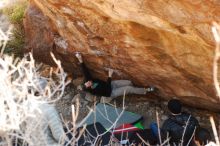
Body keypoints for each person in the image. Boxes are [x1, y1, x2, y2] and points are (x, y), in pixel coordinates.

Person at [75, 52, 157, 100]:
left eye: (87, 82)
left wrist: (80, 58)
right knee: (129, 88)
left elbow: (85, 70)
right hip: (111, 92)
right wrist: (110, 76)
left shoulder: (88, 80)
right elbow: (107, 88)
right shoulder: (94, 91)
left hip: (112, 84)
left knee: (129, 83)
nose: (89, 82)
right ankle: (146, 90)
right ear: (89, 88)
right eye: (88, 84)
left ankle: (134, 91)